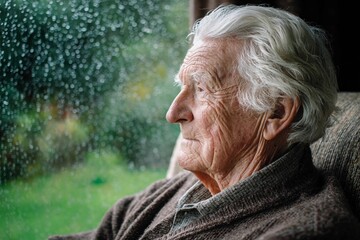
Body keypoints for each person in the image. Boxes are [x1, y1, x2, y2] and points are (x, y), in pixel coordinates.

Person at [49, 4, 360, 240]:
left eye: (201, 89)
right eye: (181, 87)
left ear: (276, 113)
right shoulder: (173, 192)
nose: (173, 113)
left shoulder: (306, 230)